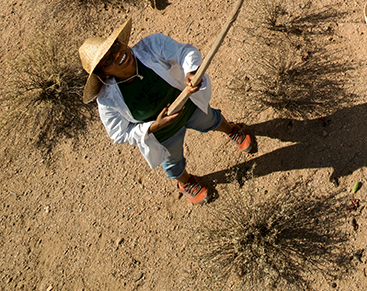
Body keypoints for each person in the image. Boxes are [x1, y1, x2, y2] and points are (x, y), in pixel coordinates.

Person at [79, 19, 255, 205]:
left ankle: (231, 130)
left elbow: (184, 52)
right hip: (162, 136)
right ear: (104, 74)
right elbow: (118, 133)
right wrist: (154, 126)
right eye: (107, 60)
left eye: (114, 47)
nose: (117, 55)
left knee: (211, 119)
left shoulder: (150, 46)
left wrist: (191, 70)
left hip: (189, 107)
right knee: (173, 164)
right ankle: (185, 183)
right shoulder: (108, 100)